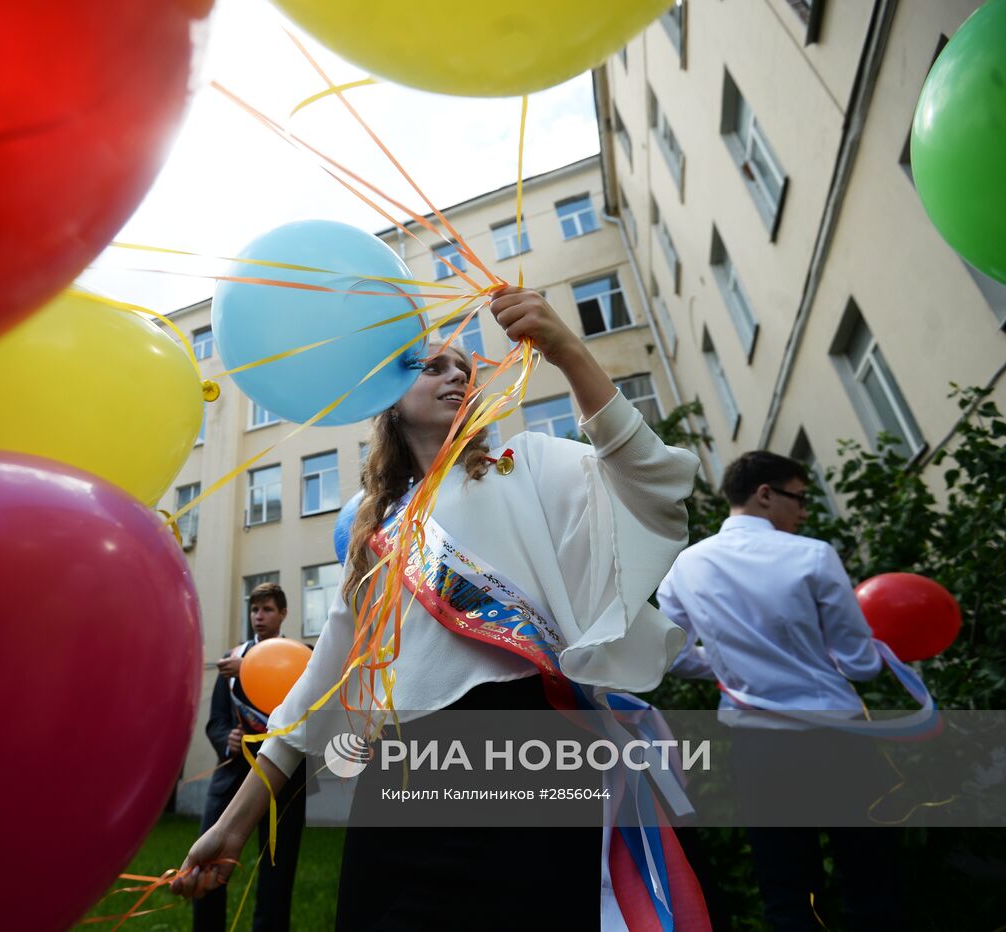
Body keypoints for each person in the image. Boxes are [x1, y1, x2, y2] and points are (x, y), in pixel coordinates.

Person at [171, 286, 707, 928]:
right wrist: (234, 824)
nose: (456, 372)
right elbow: (321, 689)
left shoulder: (525, 465)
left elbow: (656, 480)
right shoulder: (377, 539)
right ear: (387, 403)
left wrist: (567, 351)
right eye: (432, 366)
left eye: (464, 367)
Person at [657, 451, 904, 931]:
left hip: (759, 748)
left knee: (786, 885)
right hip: (838, 738)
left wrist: (729, 665)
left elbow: (672, 654)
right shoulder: (813, 554)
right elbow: (859, 663)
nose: (805, 512)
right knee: (870, 876)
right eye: (800, 498)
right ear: (765, 494)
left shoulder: (685, 566)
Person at [194, 582, 308, 932]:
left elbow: (309, 711)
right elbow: (215, 720)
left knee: (278, 868)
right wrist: (224, 738)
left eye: (268, 609)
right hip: (231, 776)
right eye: (255, 609)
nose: (259, 616)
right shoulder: (231, 659)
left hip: (283, 782)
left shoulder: (300, 656)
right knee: (209, 858)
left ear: (283, 614)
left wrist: (250, 667)